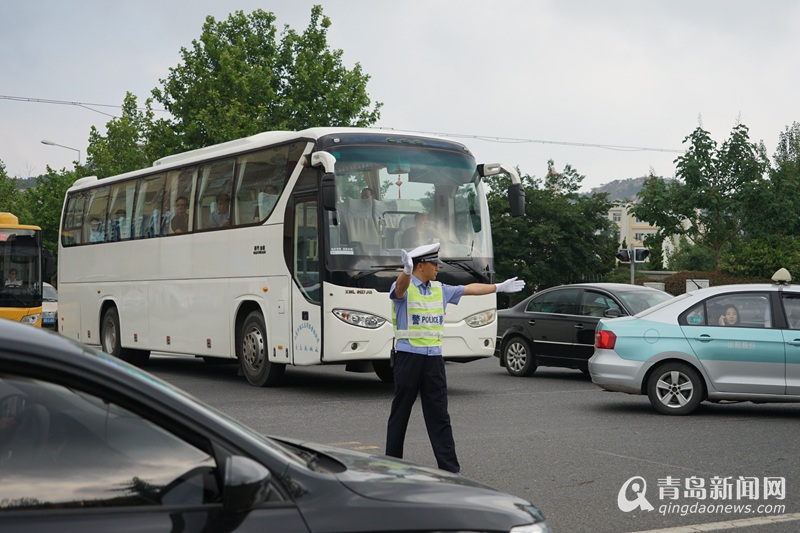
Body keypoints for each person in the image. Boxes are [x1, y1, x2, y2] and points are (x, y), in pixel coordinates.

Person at [385, 242, 525, 473]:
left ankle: (450, 470)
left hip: (433, 361)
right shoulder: (404, 286)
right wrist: (406, 272)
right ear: (421, 266)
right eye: (434, 264)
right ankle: (391, 465)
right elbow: (398, 290)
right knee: (400, 413)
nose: (438, 268)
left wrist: (498, 287)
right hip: (408, 358)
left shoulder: (440, 289)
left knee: (439, 416)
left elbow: (469, 289)